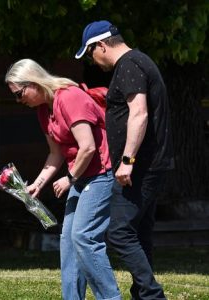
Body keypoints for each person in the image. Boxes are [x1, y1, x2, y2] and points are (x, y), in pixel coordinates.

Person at [5, 59, 121, 300]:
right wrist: (38, 183)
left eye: (19, 93)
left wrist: (69, 178)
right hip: (81, 177)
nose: (19, 100)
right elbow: (55, 153)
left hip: (101, 174)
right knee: (68, 241)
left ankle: (110, 297)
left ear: (34, 81)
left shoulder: (69, 97)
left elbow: (88, 147)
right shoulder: (42, 110)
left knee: (84, 237)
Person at [75, 20, 174, 299]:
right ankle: (144, 296)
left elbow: (139, 113)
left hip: (140, 166)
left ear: (101, 46)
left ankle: (153, 296)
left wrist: (127, 160)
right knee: (140, 233)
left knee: (119, 233)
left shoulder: (129, 65)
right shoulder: (139, 61)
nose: (92, 62)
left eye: (90, 53)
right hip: (150, 164)